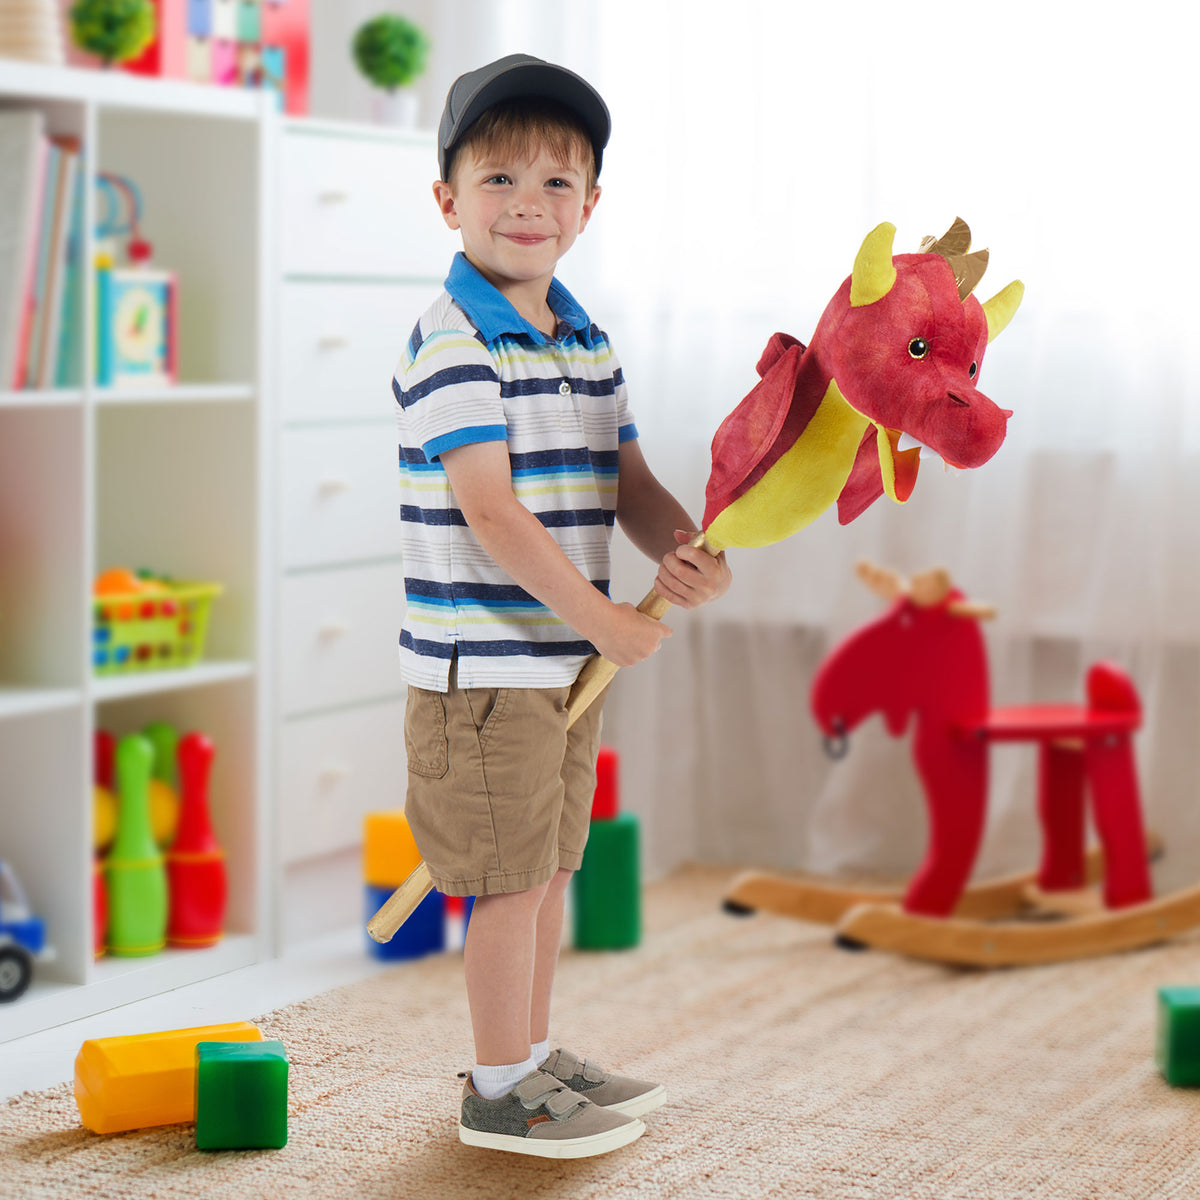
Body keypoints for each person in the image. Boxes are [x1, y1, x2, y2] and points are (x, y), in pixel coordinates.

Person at [392, 53, 731, 1159]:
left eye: (555, 183)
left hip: (558, 669)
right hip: (484, 671)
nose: (527, 206)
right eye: (498, 182)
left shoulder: (588, 344)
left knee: (546, 875)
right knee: (507, 881)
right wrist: (607, 622)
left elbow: (626, 487)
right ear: (448, 199)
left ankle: (530, 1061)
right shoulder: (453, 339)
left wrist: (683, 548)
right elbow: (492, 514)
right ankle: (497, 1090)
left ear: (589, 206)